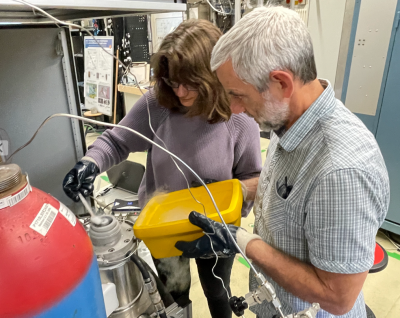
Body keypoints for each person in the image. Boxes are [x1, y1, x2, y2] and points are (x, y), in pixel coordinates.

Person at [175, 6, 390, 318]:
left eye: (239, 95)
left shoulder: (341, 170)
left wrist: (241, 241)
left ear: (281, 83)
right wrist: (220, 196)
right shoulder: (288, 118)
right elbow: (287, 192)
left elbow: (337, 297)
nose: (234, 109)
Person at [62, 19, 262, 318]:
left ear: (213, 75)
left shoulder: (239, 121)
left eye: (191, 83)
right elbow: (116, 142)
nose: (180, 92)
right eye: (172, 81)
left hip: (216, 227)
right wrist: (89, 164)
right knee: (174, 294)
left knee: (217, 290)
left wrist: (228, 201)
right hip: (162, 228)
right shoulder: (158, 104)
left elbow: (253, 179)